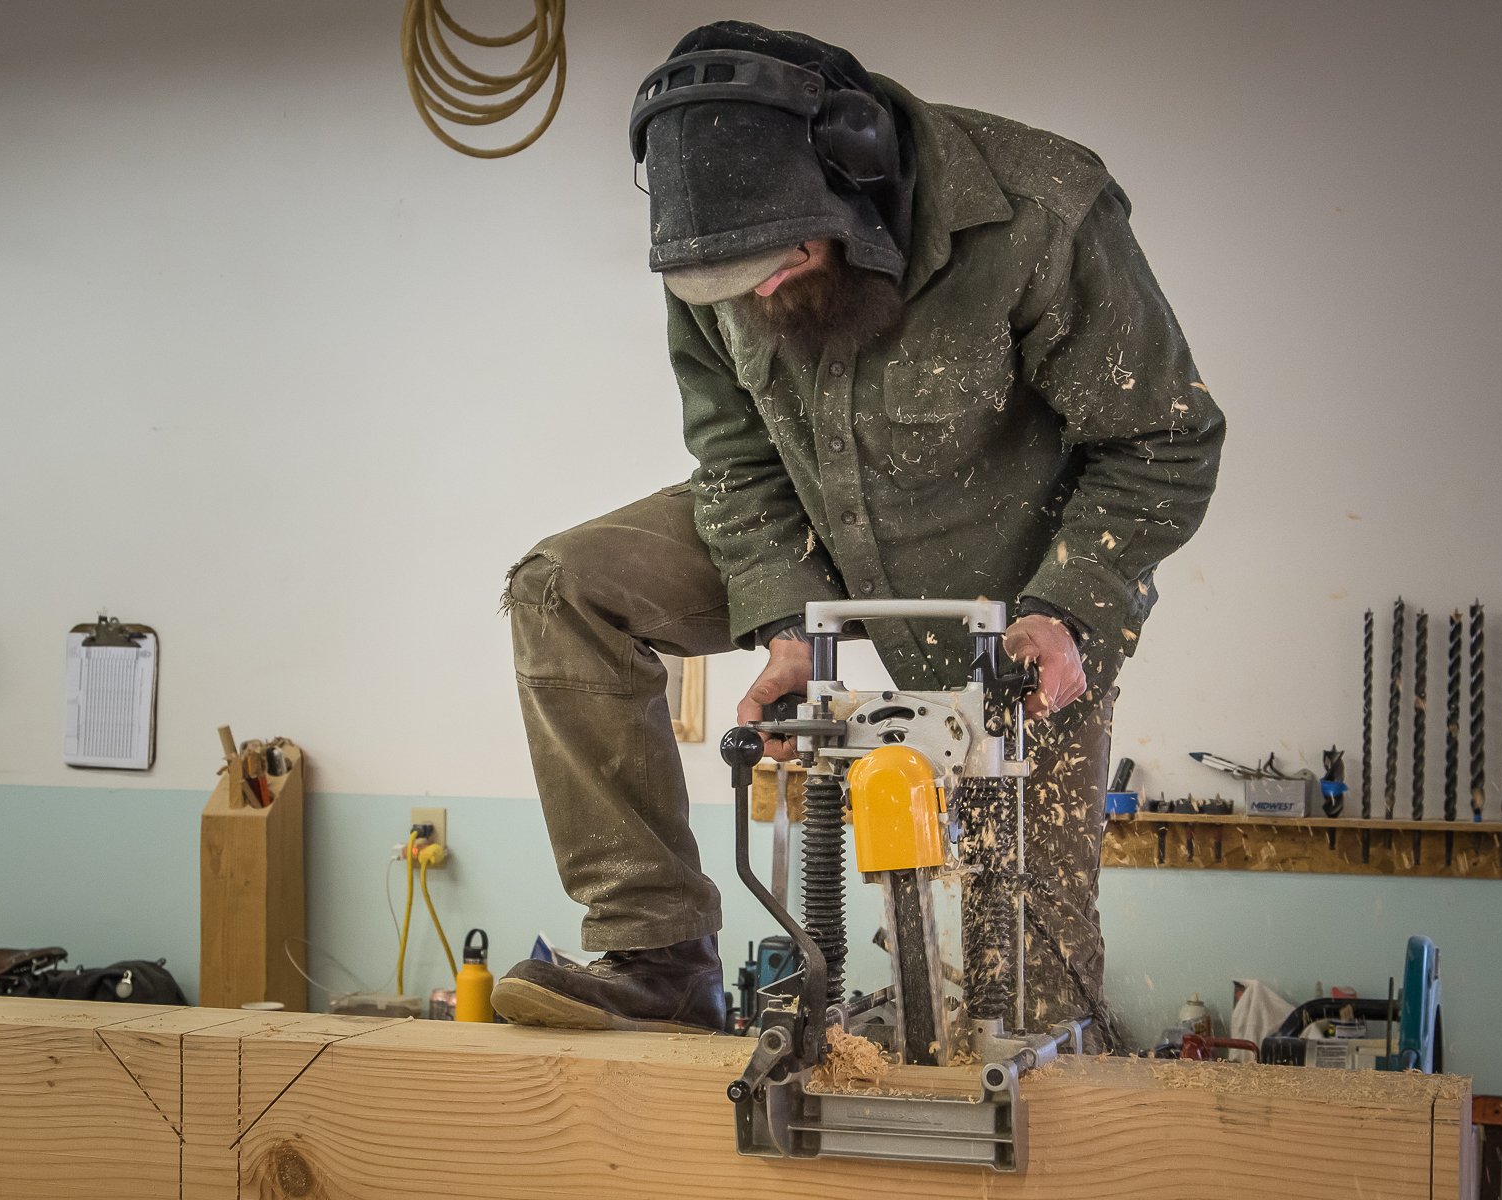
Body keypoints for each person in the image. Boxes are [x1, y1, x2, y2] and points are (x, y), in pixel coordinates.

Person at [490, 21, 1224, 1046]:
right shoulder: (721, 257)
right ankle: (656, 953)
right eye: (730, 283)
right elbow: (737, 453)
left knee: (1022, 1004)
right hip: (804, 523)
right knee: (562, 587)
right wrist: (785, 621)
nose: (759, 297)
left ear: (856, 172)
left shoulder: (1042, 215)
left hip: (1015, 602)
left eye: (782, 265)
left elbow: (1163, 439)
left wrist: (1069, 613)